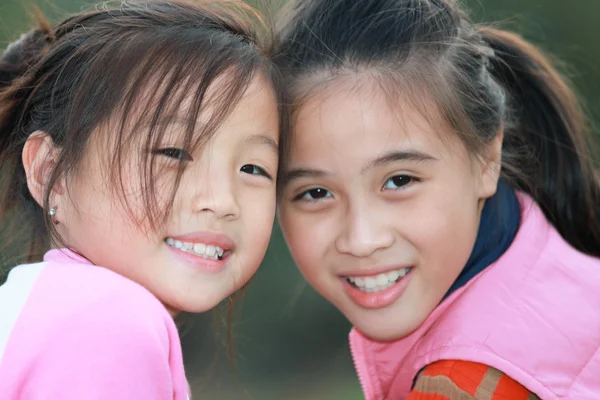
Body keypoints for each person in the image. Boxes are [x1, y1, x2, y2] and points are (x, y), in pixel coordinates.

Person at [274, 0, 600, 398]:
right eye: (316, 193)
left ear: (486, 160)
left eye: (399, 180)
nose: (361, 239)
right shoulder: (546, 252)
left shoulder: (462, 385)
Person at [0, 1, 284, 398]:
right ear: (51, 172)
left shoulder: (49, 308)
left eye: (254, 169)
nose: (221, 201)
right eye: (172, 152)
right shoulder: (107, 318)